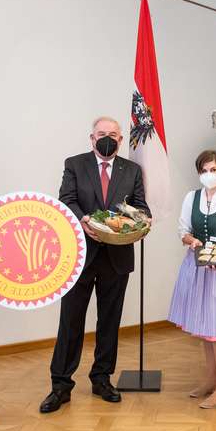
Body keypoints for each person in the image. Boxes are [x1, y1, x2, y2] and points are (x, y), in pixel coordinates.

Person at [40, 116, 151, 413]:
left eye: (113, 134)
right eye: (102, 134)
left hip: (117, 258)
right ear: (91, 138)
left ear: (120, 139)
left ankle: (102, 379)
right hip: (80, 255)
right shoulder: (74, 164)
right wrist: (84, 219)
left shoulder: (133, 170)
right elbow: (67, 200)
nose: (108, 138)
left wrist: (139, 221)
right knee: (70, 322)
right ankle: (60, 385)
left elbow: (140, 207)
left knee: (109, 323)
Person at [167, 150, 216, 409]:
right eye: (204, 170)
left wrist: (214, 256)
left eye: (213, 169)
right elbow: (183, 230)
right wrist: (190, 240)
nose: (209, 174)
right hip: (195, 265)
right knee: (205, 330)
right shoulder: (192, 197)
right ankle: (211, 380)